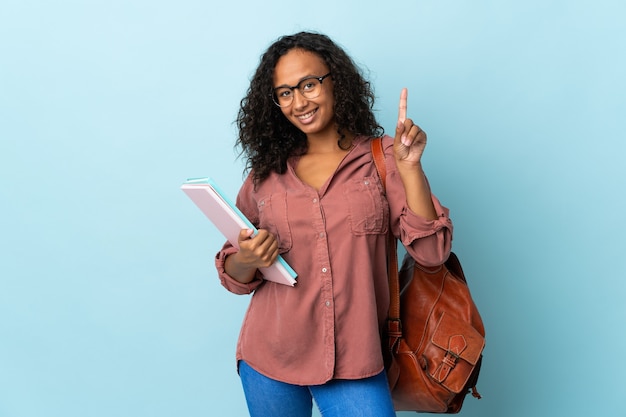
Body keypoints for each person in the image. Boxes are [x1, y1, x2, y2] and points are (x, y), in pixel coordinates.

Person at [215, 31, 453, 417]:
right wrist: (246, 258)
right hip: (269, 358)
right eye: (285, 92)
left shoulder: (385, 159)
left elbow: (432, 253)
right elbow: (234, 274)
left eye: (309, 84)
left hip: (354, 359)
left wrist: (410, 170)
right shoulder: (266, 174)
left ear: (335, 81)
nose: (299, 102)